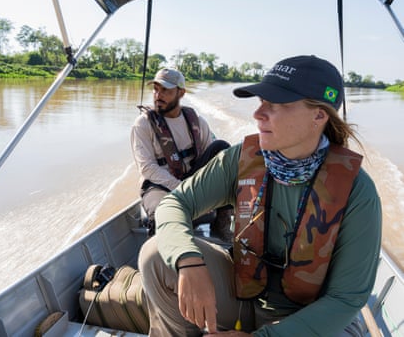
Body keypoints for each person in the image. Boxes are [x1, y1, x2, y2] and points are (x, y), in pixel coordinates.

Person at [138, 55, 382, 336]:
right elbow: (175, 203)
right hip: (245, 299)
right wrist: (187, 260)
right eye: (260, 101)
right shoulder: (241, 160)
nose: (257, 114)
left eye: (275, 104)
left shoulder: (357, 193)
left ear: (318, 115)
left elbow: (345, 300)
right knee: (156, 257)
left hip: (312, 320)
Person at [131, 67, 233, 239]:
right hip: (159, 185)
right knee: (163, 214)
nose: (158, 95)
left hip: (190, 179)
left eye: (165, 90)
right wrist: (183, 191)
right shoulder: (143, 124)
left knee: (222, 148)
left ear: (181, 93)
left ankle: (221, 222)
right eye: (156, 89)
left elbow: (214, 158)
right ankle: (161, 255)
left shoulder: (197, 122)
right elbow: (147, 168)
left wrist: (206, 191)